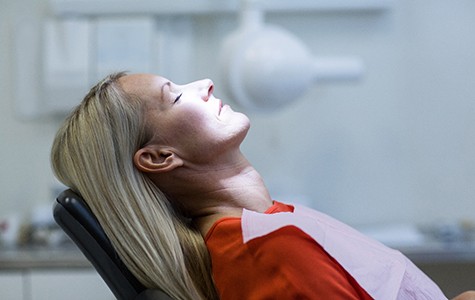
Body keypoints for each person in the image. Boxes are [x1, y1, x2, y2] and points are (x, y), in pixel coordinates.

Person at [51, 72, 475, 300]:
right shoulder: (265, 254)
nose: (205, 83)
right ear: (160, 157)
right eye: (176, 96)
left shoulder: (266, 230)